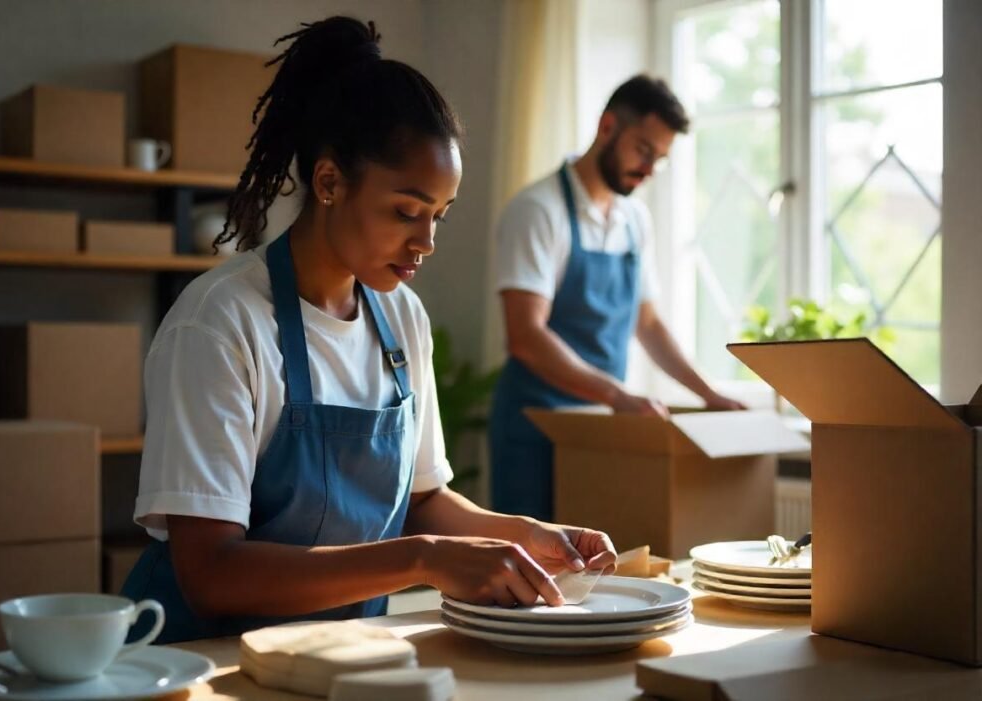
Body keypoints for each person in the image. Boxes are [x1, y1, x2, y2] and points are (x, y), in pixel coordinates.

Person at [120, 16, 616, 644]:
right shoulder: (220, 323)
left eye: (439, 214)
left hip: (338, 652)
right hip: (200, 658)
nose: (427, 241)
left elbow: (425, 499)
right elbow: (211, 574)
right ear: (328, 182)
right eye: (407, 211)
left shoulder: (402, 318)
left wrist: (528, 536)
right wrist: (422, 558)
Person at [489, 75, 745, 522]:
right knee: (531, 577)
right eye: (643, 151)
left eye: (659, 159)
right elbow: (525, 335)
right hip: (533, 431)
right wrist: (619, 396)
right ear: (607, 126)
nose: (648, 170)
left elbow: (647, 324)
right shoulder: (538, 210)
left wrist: (709, 394)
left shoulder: (633, 219)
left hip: (600, 434)